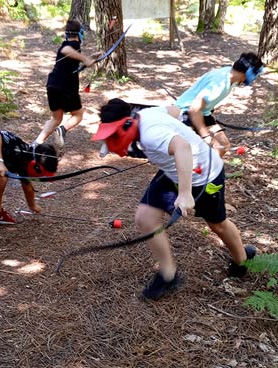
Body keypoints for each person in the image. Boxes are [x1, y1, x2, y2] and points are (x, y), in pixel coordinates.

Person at [92, 98, 256, 300]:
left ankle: (241, 260)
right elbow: (176, 110)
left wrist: (185, 193)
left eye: (114, 134)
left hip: (203, 176)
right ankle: (168, 274)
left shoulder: (151, 134)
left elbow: (183, 147)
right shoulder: (144, 116)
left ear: (127, 123)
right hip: (173, 171)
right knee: (145, 218)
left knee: (217, 225)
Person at [175, 52, 265, 157]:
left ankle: (209, 171)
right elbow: (194, 109)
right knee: (189, 153)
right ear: (250, 72)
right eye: (256, 74)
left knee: (223, 145)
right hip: (185, 113)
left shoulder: (229, 76)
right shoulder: (220, 83)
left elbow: (206, 102)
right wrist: (205, 135)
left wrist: (211, 117)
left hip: (202, 113)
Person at [34, 20, 95, 147]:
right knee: (78, 115)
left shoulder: (68, 43)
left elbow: (71, 60)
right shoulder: (72, 45)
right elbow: (66, 50)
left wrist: (91, 58)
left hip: (53, 85)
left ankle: (36, 144)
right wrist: (85, 59)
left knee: (56, 118)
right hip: (66, 86)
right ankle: (62, 130)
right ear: (80, 33)